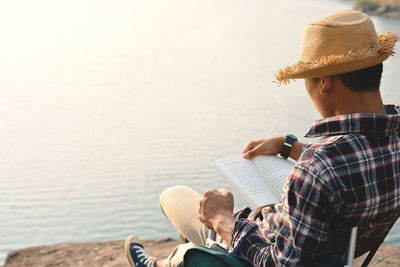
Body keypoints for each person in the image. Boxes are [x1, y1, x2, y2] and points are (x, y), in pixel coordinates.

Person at [124, 9, 400, 267]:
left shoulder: (317, 170)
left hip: (254, 249)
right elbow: (355, 161)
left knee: (174, 197)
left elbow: (280, 263)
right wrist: (288, 146)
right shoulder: (388, 140)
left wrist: (222, 220)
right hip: (335, 253)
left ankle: (169, 260)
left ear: (325, 81)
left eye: (307, 79)